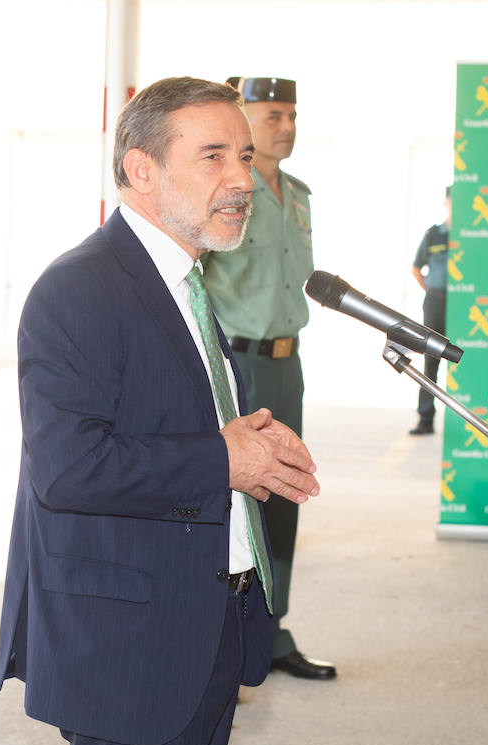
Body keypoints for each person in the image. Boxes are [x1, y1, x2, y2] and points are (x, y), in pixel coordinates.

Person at [0, 76, 321, 745]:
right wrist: (221, 460)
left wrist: (245, 438)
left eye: (243, 156)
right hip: (128, 641)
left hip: (201, 619)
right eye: (211, 156)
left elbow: (163, 418)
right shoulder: (81, 288)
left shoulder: (186, 280)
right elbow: (66, 468)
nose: (240, 179)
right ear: (141, 169)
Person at [203, 76, 335, 681]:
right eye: (273, 114)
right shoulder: (224, 188)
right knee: (235, 497)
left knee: (286, 494)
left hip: (288, 361)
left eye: (292, 115)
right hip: (240, 361)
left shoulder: (299, 193)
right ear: (243, 120)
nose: (286, 125)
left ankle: (272, 628)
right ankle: (221, 631)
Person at [410, 186, 451, 435]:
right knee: (430, 362)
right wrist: (432, 291)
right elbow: (416, 268)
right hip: (436, 302)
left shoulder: (474, 236)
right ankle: (425, 419)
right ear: (446, 202)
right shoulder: (433, 235)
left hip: (465, 307)